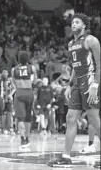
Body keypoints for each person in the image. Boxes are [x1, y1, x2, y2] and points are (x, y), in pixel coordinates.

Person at [47, 13, 100, 168]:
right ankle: (65, 157)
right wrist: (70, 85)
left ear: (84, 25)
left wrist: (95, 85)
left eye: (77, 22)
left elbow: (100, 63)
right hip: (77, 82)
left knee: (94, 119)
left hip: (90, 80)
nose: (73, 24)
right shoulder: (71, 44)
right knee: (70, 118)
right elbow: (75, 67)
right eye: (72, 22)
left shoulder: (91, 40)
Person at [11, 51, 37, 148]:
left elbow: (13, 82)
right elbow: (35, 81)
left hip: (19, 92)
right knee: (27, 118)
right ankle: (27, 138)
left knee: (20, 119)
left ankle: (22, 139)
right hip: (29, 92)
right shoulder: (32, 68)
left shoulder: (14, 69)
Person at [2, 69, 15, 135]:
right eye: (3, 72)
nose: (5, 73)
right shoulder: (0, 80)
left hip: (9, 98)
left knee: (10, 113)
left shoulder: (10, 80)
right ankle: (3, 128)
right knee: (3, 114)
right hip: (2, 98)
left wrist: (10, 94)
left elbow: (14, 88)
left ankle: (10, 128)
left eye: (6, 72)